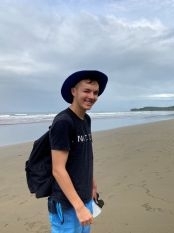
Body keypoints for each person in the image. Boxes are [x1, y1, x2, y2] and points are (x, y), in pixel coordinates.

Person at [48, 70, 108, 233]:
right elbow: (58, 169)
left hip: (85, 196)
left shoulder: (86, 119)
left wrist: (92, 184)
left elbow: (84, 156)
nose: (92, 96)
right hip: (67, 204)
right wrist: (79, 207)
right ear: (74, 91)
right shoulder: (63, 122)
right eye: (86, 91)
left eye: (95, 92)